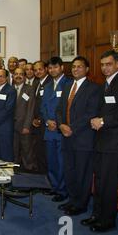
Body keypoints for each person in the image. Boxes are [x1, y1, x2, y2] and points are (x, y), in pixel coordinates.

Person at [83, 51, 118, 232]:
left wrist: (104, 121)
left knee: (108, 183)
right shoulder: (104, 86)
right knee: (98, 181)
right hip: (100, 142)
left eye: (108, 64)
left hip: (115, 145)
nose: (105, 68)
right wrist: (95, 119)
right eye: (102, 65)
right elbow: (103, 110)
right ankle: (97, 215)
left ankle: (107, 221)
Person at [55, 56, 101, 216]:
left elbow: (91, 113)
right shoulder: (68, 86)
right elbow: (59, 109)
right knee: (70, 170)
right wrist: (61, 125)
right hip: (66, 136)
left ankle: (81, 204)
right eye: (73, 66)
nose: (75, 69)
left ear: (87, 69)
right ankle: (73, 200)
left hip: (83, 138)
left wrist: (71, 128)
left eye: (79, 67)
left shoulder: (94, 88)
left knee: (82, 172)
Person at [41, 57, 73, 202]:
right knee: (51, 160)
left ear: (62, 68)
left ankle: (62, 189)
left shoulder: (69, 84)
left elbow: (69, 108)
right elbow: (43, 107)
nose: (52, 70)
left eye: (55, 67)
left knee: (62, 161)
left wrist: (58, 122)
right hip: (49, 129)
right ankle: (53, 186)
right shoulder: (47, 86)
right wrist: (47, 121)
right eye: (50, 68)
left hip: (62, 130)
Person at [13, 68, 36, 171]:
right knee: (14, 149)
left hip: (24, 125)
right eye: (16, 74)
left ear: (24, 76)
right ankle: (16, 169)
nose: (18, 76)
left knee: (27, 149)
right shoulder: (10, 89)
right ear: (13, 76)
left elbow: (31, 109)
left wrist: (27, 126)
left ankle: (28, 169)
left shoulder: (30, 89)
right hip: (12, 126)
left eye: (21, 74)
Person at [31, 61, 51, 174]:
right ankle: (41, 174)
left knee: (45, 152)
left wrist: (40, 118)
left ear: (46, 69)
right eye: (35, 70)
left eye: (40, 69)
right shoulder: (37, 83)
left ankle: (46, 176)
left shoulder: (49, 83)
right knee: (39, 150)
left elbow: (48, 104)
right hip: (37, 123)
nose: (37, 72)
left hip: (45, 123)